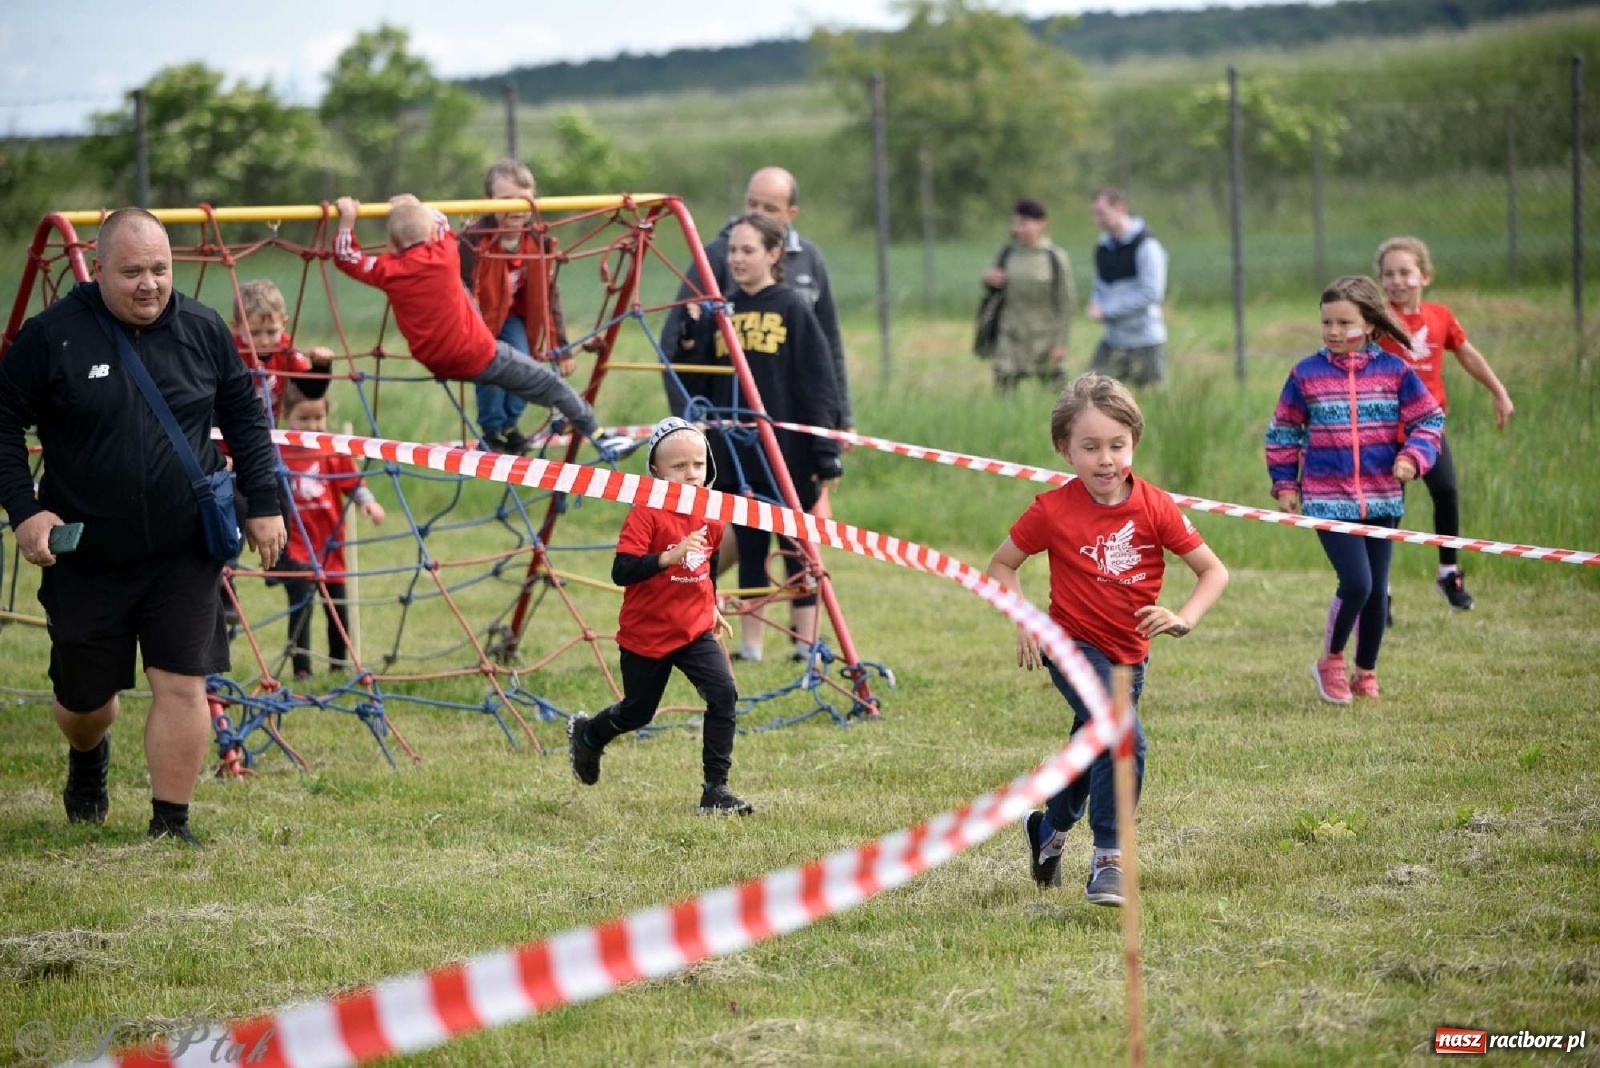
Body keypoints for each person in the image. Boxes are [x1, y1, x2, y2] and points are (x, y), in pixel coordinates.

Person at [0, 207, 287, 845]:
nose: (149, 284)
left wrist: (264, 503)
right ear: (97, 269)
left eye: (160, 269)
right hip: (87, 556)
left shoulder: (204, 329)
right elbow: (2, 422)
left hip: (184, 550)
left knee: (182, 681)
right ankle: (87, 756)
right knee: (84, 704)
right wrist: (25, 509)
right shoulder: (52, 337)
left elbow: (245, 416)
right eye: (132, 272)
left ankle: (170, 824)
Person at [987, 374, 1228, 906]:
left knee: (1094, 747)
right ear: (1064, 449)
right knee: (1123, 736)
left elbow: (1213, 571)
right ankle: (1110, 859)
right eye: (1090, 447)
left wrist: (1183, 616)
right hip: (1069, 646)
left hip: (1128, 657)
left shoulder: (1156, 506)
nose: (1105, 460)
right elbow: (1002, 565)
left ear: (1134, 444)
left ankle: (1047, 830)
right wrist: (1025, 618)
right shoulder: (1051, 510)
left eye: (1117, 446)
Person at [330, 194, 629, 458]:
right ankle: (600, 436)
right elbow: (441, 221)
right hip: (478, 354)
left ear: (393, 244)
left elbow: (347, 258)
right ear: (433, 234)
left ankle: (503, 431)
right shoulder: (445, 253)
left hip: (435, 361)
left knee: (507, 363)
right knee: (549, 384)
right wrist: (414, 205)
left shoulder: (387, 268)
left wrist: (347, 221)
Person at [1265, 276, 1444, 705]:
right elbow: (1283, 432)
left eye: (1344, 322)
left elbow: (1430, 420)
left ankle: (1365, 672)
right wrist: (1285, 484)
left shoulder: (1395, 372)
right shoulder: (1305, 374)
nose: (1332, 331)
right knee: (1358, 583)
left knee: (1378, 590)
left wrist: (1413, 458)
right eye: (1326, 322)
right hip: (1328, 499)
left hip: (1384, 498)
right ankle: (1330, 661)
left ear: (1368, 323)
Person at [673, 213, 843, 663]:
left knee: (795, 549)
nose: (737, 259)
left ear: (773, 254)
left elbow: (817, 382)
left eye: (748, 250)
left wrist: (824, 452)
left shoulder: (792, 307)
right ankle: (751, 644)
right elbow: (697, 383)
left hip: (787, 454)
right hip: (736, 455)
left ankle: (805, 644)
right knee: (749, 547)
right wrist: (688, 339)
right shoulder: (721, 311)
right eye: (732, 251)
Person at [566, 417, 752, 814]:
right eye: (679, 467)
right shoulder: (646, 512)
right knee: (638, 711)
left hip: (694, 629)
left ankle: (714, 792)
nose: (691, 475)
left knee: (724, 693)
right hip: (646, 634)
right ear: (655, 470)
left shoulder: (712, 512)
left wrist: (712, 604)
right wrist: (667, 557)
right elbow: (621, 571)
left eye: (698, 465)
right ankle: (588, 736)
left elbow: (709, 563)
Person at [1375, 235, 1513, 612]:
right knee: (1387, 510)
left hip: (1427, 430)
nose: (1397, 281)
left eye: (1406, 272)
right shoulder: (1378, 322)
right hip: (1384, 433)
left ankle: (1448, 572)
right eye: (1389, 275)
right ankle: (1380, 590)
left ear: (1426, 276)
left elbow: (1467, 353)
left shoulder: (1440, 317)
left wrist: (1499, 391)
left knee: (1447, 492)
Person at [660, 166, 854, 434]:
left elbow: (828, 345)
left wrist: (841, 421)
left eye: (770, 208)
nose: (757, 214)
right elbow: (677, 342)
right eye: (752, 204)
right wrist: (687, 420)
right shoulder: (715, 257)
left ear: (791, 213)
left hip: (793, 420)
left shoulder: (810, 259)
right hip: (732, 419)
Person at [459, 159, 578, 455]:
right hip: (480, 321)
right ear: (488, 203)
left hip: (514, 316)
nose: (516, 208)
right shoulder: (472, 242)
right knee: (491, 368)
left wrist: (561, 345)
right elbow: (458, 288)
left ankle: (510, 426)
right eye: (505, 200)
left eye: (524, 200)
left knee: (524, 365)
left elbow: (549, 293)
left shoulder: (536, 238)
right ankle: (492, 431)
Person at [277, 384, 386, 681]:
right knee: (301, 607)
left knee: (337, 608)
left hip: (331, 545)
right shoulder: (278, 450)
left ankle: (338, 665)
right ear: (287, 415)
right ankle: (302, 668)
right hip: (297, 545)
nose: (313, 426)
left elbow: (352, 484)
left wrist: (369, 503)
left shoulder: (333, 448)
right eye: (304, 418)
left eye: (318, 418)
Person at [979, 197, 1075, 393]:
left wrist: (1061, 343)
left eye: (1024, 224)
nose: (1018, 229)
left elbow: (1066, 304)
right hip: (1010, 336)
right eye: (1015, 223)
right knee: (1003, 391)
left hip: (1044, 339)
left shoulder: (1054, 258)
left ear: (1041, 224)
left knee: (1058, 397)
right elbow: (995, 291)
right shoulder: (1006, 254)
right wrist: (989, 280)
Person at [1087, 187, 1168, 389]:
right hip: (1114, 339)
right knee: (1090, 394)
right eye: (1095, 214)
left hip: (1145, 340)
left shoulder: (1147, 245)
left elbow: (1151, 293)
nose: (1097, 220)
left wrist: (1107, 310)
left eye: (1102, 213)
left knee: (1150, 401)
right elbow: (1100, 285)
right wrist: (1095, 304)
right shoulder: (1103, 246)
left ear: (1121, 208)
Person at [231, 278, 334, 425]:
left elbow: (312, 391)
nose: (264, 341)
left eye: (272, 332)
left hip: (266, 431)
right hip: (224, 433)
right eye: (254, 333)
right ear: (236, 327)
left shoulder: (285, 347)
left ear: (283, 324)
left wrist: (321, 367)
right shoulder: (229, 349)